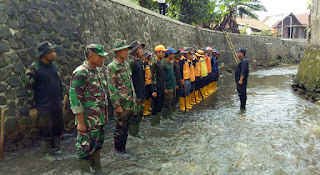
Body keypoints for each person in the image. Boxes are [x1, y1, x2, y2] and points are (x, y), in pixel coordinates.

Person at [69, 44, 108, 173]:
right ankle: (85, 172)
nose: (103, 59)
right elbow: (75, 99)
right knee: (84, 149)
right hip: (88, 120)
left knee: (96, 146)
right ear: (91, 56)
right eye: (100, 56)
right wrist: (80, 122)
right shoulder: (81, 72)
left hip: (98, 119)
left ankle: (98, 170)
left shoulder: (96, 71)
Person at [25, 41, 64, 160]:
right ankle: (47, 153)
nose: (55, 54)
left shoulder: (54, 66)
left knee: (58, 127)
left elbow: (59, 83)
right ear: (44, 54)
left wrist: (61, 98)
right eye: (52, 52)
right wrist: (32, 107)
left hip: (56, 104)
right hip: (43, 106)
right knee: (45, 130)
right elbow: (29, 89)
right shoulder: (33, 69)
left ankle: (56, 148)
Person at [107, 40, 135, 154]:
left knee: (126, 127)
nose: (127, 52)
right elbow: (111, 88)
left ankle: (123, 149)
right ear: (117, 52)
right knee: (119, 128)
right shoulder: (112, 67)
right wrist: (117, 105)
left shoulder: (126, 65)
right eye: (124, 50)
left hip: (129, 102)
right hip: (121, 104)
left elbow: (130, 83)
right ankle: (118, 150)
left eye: (127, 50)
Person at [128, 41, 146, 139]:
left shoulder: (139, 61)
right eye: (139, 48)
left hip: (141, 92)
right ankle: (132, 134)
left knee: (140, 114)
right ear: (135, 50)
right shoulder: (131, 62)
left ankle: (137, 132)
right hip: (136, 94)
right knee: (135, 115)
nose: (141, 50)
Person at [150, 45, 168, 126]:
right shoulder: (153, 63)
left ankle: (158, 122)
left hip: (161, 87)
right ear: (158, 52)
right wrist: (154, 90)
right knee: (155, 106)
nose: (164, 54)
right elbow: (152, 77)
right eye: (162, 52)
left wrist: (164, 87)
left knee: (160, 105)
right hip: (156, 88)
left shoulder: (161, 62)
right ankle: (154, 124)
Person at [163, 48, 177, 120]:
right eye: (173, 54)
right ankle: (166, 117)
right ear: (169, 54)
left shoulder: (171, 63)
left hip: (172, 85)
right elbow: (163, 77)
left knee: (172, 101)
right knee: (167, 103)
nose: (174, 55)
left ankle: (171, 114)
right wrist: (165, 87)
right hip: (168, 86)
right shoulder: (164, 64)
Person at [179, 47, 192, 111]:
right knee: (183, 92)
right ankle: (182, 106)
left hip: (188, 78)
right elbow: (181, 70)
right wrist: (182, 79)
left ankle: (187, 104)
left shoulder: (186, 60)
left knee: (187, 92)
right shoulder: (181, 60)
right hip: (184, 79)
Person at [143, 51, 153, 117]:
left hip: (150, 82)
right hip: (146, 83)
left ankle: (149, 107)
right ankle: (145, 110)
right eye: (149, 56)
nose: (150, 57)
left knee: (149, 95)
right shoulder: (144, 63)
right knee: (146, 96)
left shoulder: (149, 63)